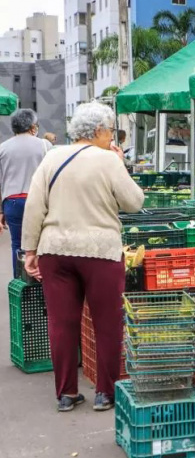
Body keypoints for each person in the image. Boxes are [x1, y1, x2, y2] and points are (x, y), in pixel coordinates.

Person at [21, 102, 145, 412]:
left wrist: (30, 250)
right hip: (100, 250)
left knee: (62, 324)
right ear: (99, 130)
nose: (112, 137)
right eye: (110, 131)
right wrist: (121, 165)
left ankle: (66, 393)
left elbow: (34, 206)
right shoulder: (109, 160)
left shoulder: (52, 157)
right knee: (107, 323)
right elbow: (134, 202)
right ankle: (105, 393)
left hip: (55, 250)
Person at [0, 109, 50, 277]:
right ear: (32, 127)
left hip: (12, 202)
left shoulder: (2, 148)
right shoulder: (45, 145)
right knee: (42, 245)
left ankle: (20, 282)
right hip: (39, 201)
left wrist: (1, 211)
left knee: (18, 245)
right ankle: (42, 282)